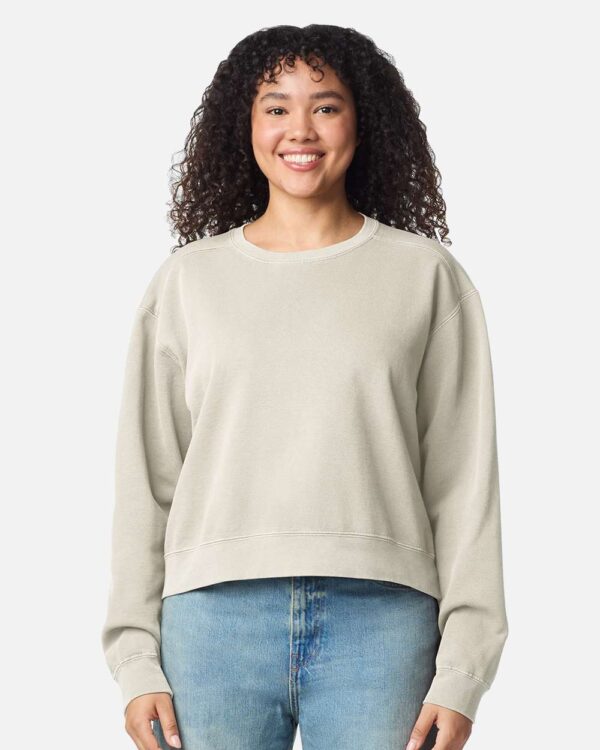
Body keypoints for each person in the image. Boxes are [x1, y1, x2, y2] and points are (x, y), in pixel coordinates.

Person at [100, 24, 509, 750]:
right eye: (276, 107)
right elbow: (147, 478)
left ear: (362, 122)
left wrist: (464, 669)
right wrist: (135, 660)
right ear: (246, 126)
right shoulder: (189, 282)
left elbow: (463, 483)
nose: (301, 129)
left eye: (325, 106)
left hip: (382, 624)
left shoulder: (425, 277)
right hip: (211, 625)